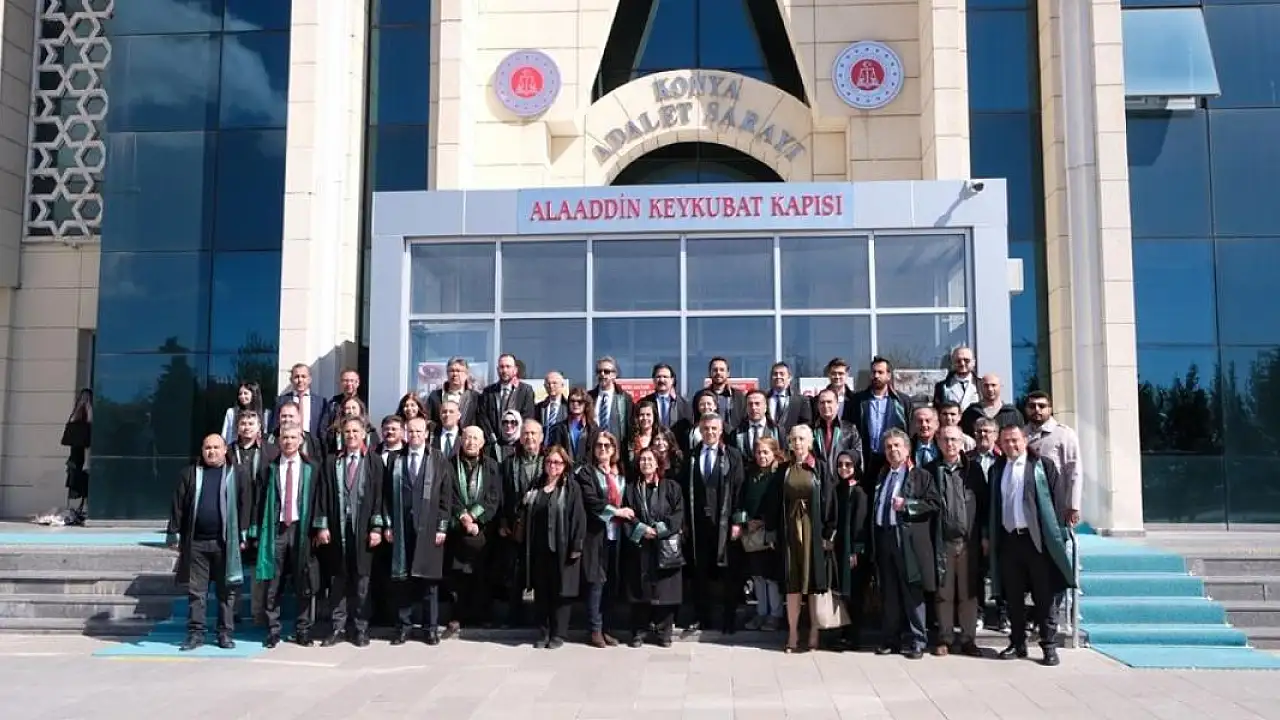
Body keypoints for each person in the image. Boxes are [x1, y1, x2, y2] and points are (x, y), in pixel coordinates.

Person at [987, 423, 1075, 667]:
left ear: (1025, 440)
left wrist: (1058, 537)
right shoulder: (997, 469)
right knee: (1013, 597)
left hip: (1037, 541)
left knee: (1044, 597)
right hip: (1009, 540)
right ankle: (1017, 643)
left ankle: (1049, 646)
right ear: (1000, 444)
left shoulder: (1042, 465)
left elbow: (1057, 503)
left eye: (1015, 440)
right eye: (1006, 441)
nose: (1011, 445)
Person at [166, 434, 252, 651]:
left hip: (226, 543)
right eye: (207, 448)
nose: (211, 451)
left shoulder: (237, 473)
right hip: (197, 543)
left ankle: (225, 633)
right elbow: (178, 505)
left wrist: (244, 535)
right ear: (202, 450)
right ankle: (196, 634)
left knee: (226, 592)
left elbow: (246, 505)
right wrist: (173, 533)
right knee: (197, 592)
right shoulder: (190, 474)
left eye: (216, 447)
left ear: (225, 450)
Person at [249, 424, 329, 648]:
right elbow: (258, 501)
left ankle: (303, 630)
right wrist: (255, 530)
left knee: (304, 580)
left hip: (302, 530)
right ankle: (273, 630)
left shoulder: (312, 467)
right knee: (273, 582)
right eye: (285, 437)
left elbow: (320, 499)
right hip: (276, 530)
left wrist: (319, 527)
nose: (288, 441)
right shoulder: (269, 468)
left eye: (293, 437)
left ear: (301, 440)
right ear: (279, 441)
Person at [319, 417, 386, 647]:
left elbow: (380, 496)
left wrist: (376, 527)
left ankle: (360, 628)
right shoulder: (332, 461)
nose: (351, 435)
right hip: (338, 527)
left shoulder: (374, 461)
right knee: (338, 579)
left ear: (364, 434)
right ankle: (337, 627)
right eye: (347, 431)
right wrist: (322, 526)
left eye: (355, 431)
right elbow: (323, 494)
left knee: (362, 581)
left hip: (363, 528)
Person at [872, 429, 937, 659]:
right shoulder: (882, 475)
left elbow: (933, 504)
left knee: (912, 592)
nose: (893, 450)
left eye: (897, 445)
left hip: (908, 541)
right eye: (889, 447)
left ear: (908, 449)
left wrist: (908, 505)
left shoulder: (920, 475)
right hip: (884, 537)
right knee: (889, 592)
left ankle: (918, 640)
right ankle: (891, 639)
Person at [387, 416, 452, 646]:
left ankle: (430, 628)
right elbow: (386, 495)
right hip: (402, 526)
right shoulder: (396, 459)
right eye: (411, 431)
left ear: (426, 434)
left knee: (429, 582)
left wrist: (442, 526)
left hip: (430, 527)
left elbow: (446, 496)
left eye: (419, 431)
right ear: (405, 433)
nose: (415, 435)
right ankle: (403, 627)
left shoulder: (438, 459)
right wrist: (388, 524)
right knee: (402, 580)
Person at [922, 425, 987, 657]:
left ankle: (968, 639)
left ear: (962, 443)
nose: (950, 444)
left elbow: (985, 504)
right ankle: (945, 638)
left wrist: (985, 536)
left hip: (969, 541)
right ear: (938, 442)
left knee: (968, 593)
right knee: (944, 593)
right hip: (942, 542)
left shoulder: (973, 469)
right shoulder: (930, 470)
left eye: (954, 440)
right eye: (945, 440)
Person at [684, 412, 745, 635]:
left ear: (720, 431)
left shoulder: (732, 455)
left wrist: (737, 521)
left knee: (728, 571)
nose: (709, 432)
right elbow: (685, 490)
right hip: (698, 523)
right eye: (706, 428)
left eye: (714, 429)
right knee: (700, 572)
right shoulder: (692, 455)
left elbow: (739, 489)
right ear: (700, 430)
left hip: (725, 523)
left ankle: (729, 618)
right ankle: (703, 618)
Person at [778, 425, 837, 653]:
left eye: (802, 439)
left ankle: (814, 630)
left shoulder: (820, 467)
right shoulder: (783, 469)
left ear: (810, 442)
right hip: (791, 533)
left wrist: (828, 535)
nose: (798, 443)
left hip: (813, 532)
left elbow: (830, 502)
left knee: (812, 583)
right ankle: (793, 633)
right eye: (794, 439)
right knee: (792, 584)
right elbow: (777, 502)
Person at [522, 445, 585, 649]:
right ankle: (543, 632)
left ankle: (558, 633)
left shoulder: (571, 487)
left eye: (557, 462)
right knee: (542, 592)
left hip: (562, 548)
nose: (552, 466)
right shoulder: (536, 485)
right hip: (538, 548)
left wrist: (577, 545)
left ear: (565, 465)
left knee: (561, 592)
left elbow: (578, 518)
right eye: (549, 462)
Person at [621, 446, 684, 648]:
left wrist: (658, 530)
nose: (646, 463)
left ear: (658, 463)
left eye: (650, 459)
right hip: (641, 546)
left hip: (664, 546)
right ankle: (639, 632)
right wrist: (642, 530)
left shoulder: (671, 487)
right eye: (642, 459)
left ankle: (664, 632)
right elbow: (627, 516)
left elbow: (678, 514)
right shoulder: (631, 489)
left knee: (666, 590)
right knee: (640, 590)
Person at [444, 426, 502, 637]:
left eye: (475, 438)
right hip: (457, 528)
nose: (471, 442)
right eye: (467, 437)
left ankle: (483, 615)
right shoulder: (450, 464)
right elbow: (448, 494)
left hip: (482, 528)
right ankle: (457, 616)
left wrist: (475, 518)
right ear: (461, 440)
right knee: (458, 576)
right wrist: (463, 517)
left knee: (482, 574)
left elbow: (494, 496)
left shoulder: (491, 466)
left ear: (483, 442)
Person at [576, 429, 630, 647]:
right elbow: (591, 501)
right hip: (595, 535)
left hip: (616, 536)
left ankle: (607, 627)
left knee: (611, 583)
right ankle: (594, 629)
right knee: (596, 582)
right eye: (599, 445)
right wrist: (616, 512)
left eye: (607, 446)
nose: (603, 449)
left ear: (614, 449)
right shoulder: (587, 473)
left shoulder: (620, 474)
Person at [498, 419, 545, 627]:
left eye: (534, 433)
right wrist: (503, 520)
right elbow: (502, 493)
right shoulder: (510, 462)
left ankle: (541, 619)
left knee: (541, 572)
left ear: (541, 437)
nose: (529, 437)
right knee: (515, 572)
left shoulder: (549, 461)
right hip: (516, 523)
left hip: (541, 524)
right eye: (526, 433)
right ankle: (513, 617)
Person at [734, 437, 784, 632]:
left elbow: (779, 503)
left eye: (766, 452)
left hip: (770, 532)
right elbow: (743, 499)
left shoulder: (778, 474)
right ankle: (761, 612)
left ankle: (775, 614)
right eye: (758, 452)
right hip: (752, 533)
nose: (762, 456)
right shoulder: (751, 474)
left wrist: (763, 521)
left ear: (774, 453)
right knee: (757, 576)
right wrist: (745, 521)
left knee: (771, 576)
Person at [833, 448, 870, 651]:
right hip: (839, 548)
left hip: (853, 551)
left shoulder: (859, 492)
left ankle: (854, 637)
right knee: (843, 594)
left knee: (854, 594)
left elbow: (860, 524)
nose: (844, 468)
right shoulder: (838, 488)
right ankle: (843, 633)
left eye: (848, 465)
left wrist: (855, 550)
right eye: (840, 465)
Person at [850, 356, 910, 482]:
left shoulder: (901, 401)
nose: (876, 376)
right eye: (873, 372)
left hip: (893, 458)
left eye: (880, 372)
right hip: (867, 459)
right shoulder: (858, 400)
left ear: (888, 375)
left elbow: (909, 431)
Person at [479, 354, 536, 442]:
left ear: (515, 370)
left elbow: (527, 417)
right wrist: (492, 438)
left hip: (517, 443)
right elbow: (483, 417)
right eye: (501, 367)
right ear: (497, 369)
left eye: (508, 367)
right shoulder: (488, 391)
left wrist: (515, 436)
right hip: (493, 442)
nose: (504, 370)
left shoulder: (525, 390)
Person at [959, 373, 1024, 438]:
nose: (990, 389)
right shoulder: (971, 412)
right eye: (986, 385)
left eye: (993, 385)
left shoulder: (1012, 413)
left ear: (1000, 386)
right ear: (980, 388)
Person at [272, 363, 327, 437]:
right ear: (291, 380)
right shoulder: (280, 401)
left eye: (303, 376)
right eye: (296, 377)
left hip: (312, 442)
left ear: (309, 379)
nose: (300, 380)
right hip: (289, 441)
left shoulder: (321, 402)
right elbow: (275, 427)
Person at [425, 356, 481, 429]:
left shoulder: (475, 397)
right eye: (451, 371)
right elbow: (427, 419)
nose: (455, 374)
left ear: (466, 374)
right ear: (447, 373)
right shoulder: (435, 396)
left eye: (458, 371)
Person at [589, 355, 634, 441]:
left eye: (606, 371)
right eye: (599, 371)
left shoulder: (625, 399)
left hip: (617, 447)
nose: (602, 374)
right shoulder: (589, 397)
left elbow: (630, 428)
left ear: (614, 375)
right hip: (594, 446)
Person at [766, 361, 810, 438]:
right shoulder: (764, 399)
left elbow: (805, 425)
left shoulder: (801, 401)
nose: (778, 376)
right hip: (769, 443)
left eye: (782, 374)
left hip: (791, 443)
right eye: (775, 374)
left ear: (789, 378)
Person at [932, 347, 980, 411]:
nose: (962, 363)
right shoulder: (941, 386)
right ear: (952, 362)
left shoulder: (981, 385)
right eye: (958, 361)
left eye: (966, 360)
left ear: (973, 362)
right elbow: (937, 411)